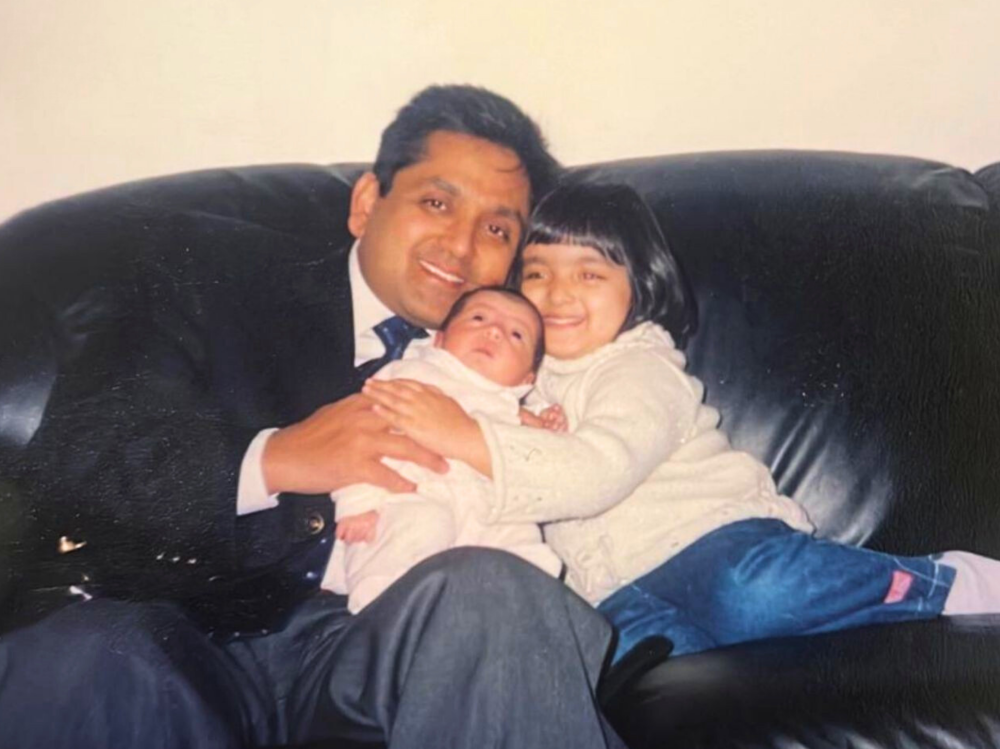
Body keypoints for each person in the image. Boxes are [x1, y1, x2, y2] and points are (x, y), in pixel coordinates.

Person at [0, 88, 626, 749]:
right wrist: (277, 459)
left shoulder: (529, 358)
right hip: (179, 634)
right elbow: (78, 456)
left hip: (386, 644)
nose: (462, 245)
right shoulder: (209, 274)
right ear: (367, 203)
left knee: (495, 588)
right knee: (85, 661)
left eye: (497, 229)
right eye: (437, 203)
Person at [363, 178, 1000, 664]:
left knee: (752, 599)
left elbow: (592, 473)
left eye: (589, 274)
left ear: (638, 287)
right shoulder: (515, 375)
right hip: (611, 589)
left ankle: (940, 582)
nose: (557, 294)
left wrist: (466, 437)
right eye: (537, 273)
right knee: (606, 659)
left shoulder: (641, 368)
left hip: (711, 543)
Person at [328, 286, 562, 613]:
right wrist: (356, 504)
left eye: (516, 335)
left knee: (521, 544)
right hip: (410, 495)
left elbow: (540, 466)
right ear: (439, 340)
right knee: (420, 527)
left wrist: (546, 429)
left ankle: (523, 612)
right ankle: (382, 608)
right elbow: (355, 439)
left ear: (527, 378)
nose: (494, 332)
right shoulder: (408, 375)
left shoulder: (511, 410)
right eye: (478, 318)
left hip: (483, 510)